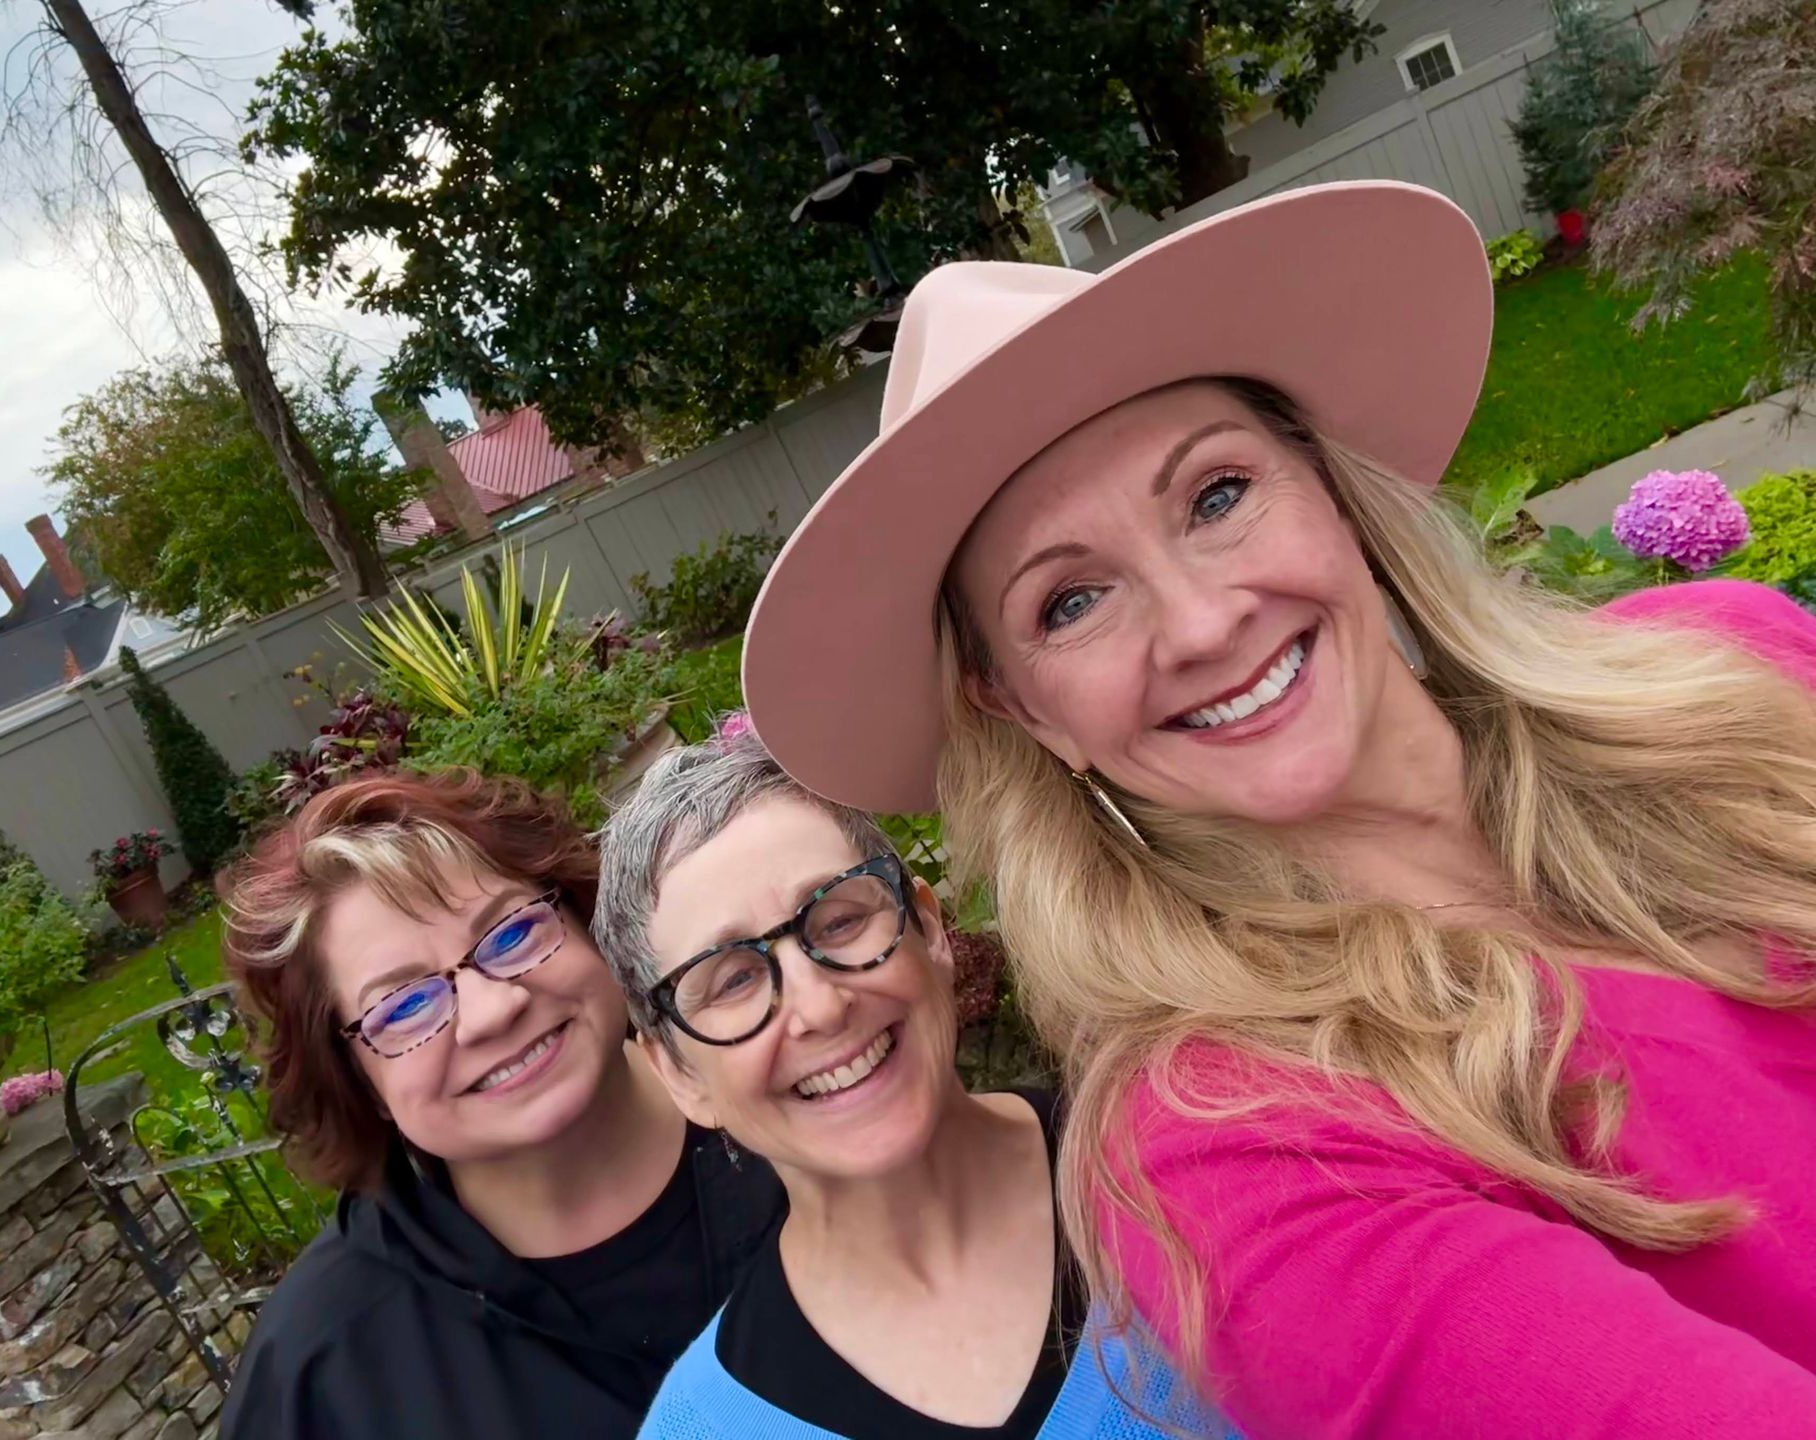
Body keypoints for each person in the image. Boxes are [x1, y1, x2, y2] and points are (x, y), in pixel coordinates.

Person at [739, 179, 1816, 1438]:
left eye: (1215, 497)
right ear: (1021, 707)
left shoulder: (1731, 666)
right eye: (1069, 604)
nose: (1202, 623)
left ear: (1328, 484)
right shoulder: (1236, 1150)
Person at [592, 725, 1227, 1439]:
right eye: (733, 979)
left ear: (929, 930)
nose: (822, 1005)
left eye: (838, 920)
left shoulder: (1203, 1157)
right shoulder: (703, 1428)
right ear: (678, 1074)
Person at [216, 768, 783, 1440]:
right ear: (358, 1083)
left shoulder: (810, 1109)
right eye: (404, 1006)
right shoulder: (323, 1373)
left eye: (512, 935)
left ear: (585, 920)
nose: (491, 1010)